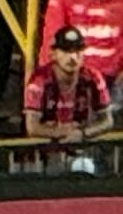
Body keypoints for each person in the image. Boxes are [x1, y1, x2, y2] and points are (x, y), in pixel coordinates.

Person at [18, 22, 115, 163]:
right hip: (47, 155)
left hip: (82, 152)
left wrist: (82, 134)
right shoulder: (39, 80)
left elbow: (108, 121)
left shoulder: (93, 77)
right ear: (53, 54)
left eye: (78, 51)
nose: (73, 57)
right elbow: (32, 127)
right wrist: (65, 133)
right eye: (66, 51)